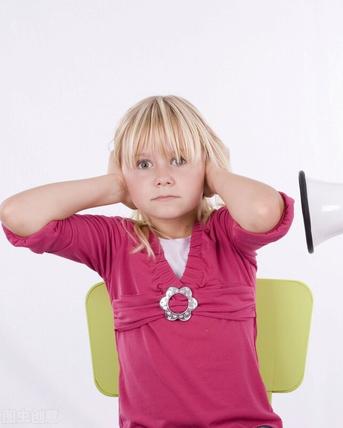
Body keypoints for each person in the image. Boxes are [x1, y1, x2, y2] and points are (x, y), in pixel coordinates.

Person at [0, 95, 293, 428]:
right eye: (143, 165)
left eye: (179, 160)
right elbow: (18, 215)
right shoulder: (113, 241)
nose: (162, 177)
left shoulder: (227, 233)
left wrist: (216, 175)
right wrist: (111, 187)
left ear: (207, 168)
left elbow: (263, 212)